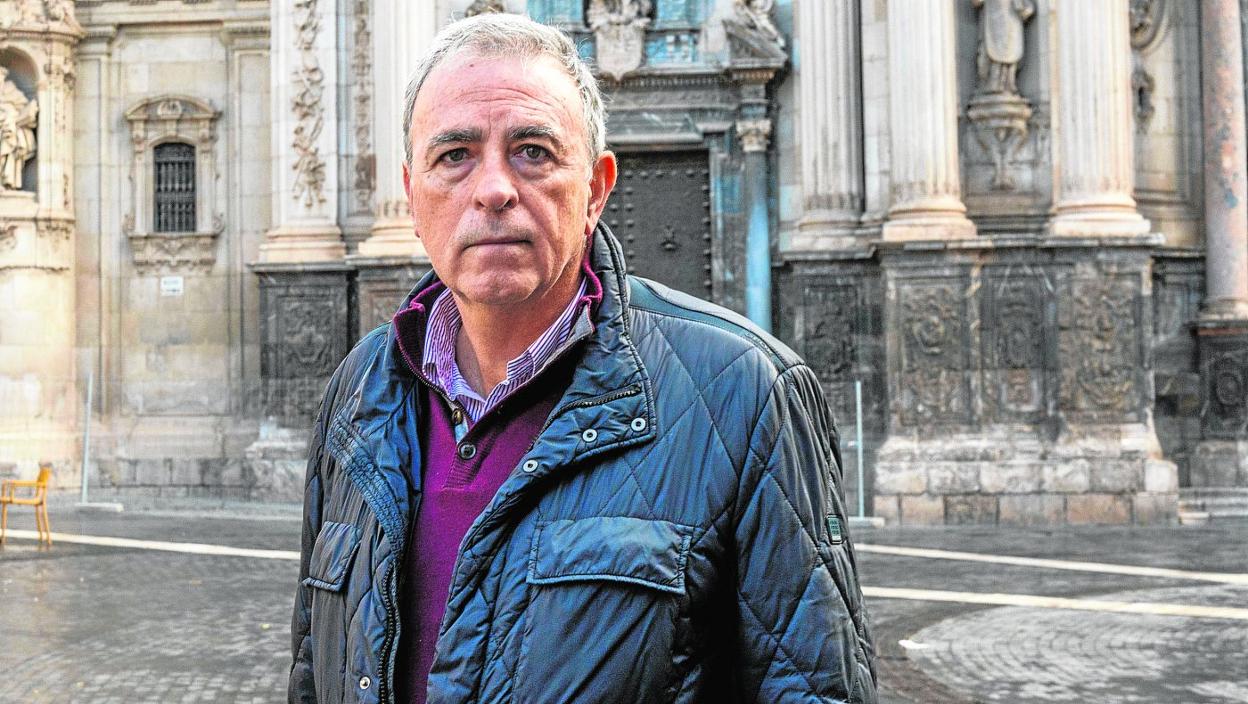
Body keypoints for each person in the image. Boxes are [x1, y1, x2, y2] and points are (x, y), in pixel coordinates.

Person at [289, 12, 876, 704]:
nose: (494, 188)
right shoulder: (360, 388)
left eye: (533, 151)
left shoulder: (749, 394)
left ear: (596, 189)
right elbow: (314, 667)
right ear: (412, 194)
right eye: (455, 155)